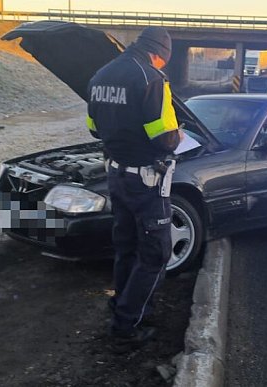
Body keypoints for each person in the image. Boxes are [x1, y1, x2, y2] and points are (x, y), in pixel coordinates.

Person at [86, 26, 183, 351]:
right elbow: (164, 139)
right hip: (146, 181)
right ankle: (126, 327)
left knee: (126, 247)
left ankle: (121, 307)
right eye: (163, 61)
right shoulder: (151, 79)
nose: (163, 66)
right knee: (156, 254)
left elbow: (94, 129)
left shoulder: (100, 75)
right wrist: (178, 135)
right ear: (159, 54)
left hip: (116, 174)